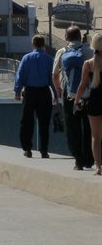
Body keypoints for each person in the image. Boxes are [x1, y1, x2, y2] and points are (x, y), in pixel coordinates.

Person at [52, 25, 94, 170]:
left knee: (72, 127)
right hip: (87, 95)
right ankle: (89, 158)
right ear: (80, 36)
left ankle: (78, 160)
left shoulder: (62, 52)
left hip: (69, 94)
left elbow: (55, 75)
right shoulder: (89, 51)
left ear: (66, 37)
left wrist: (59, 89)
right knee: (88, 127)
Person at [14, 34, 56, 158]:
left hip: (30, 92)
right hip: (44, 92)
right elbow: (52, 78)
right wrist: (56, 95)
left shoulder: (26, 58)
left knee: (27, 121)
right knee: (44, 122)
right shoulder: (49, 59)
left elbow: (20, 75)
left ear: (33, 44)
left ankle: (27, 149)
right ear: (43, 45)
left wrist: (17, 90)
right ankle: (44, 150)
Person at [73, 33, 102, 175]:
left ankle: (98, 166)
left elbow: (82, 85)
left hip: (94, 101)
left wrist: (76, 100)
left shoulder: (89, 63)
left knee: (95, 136)